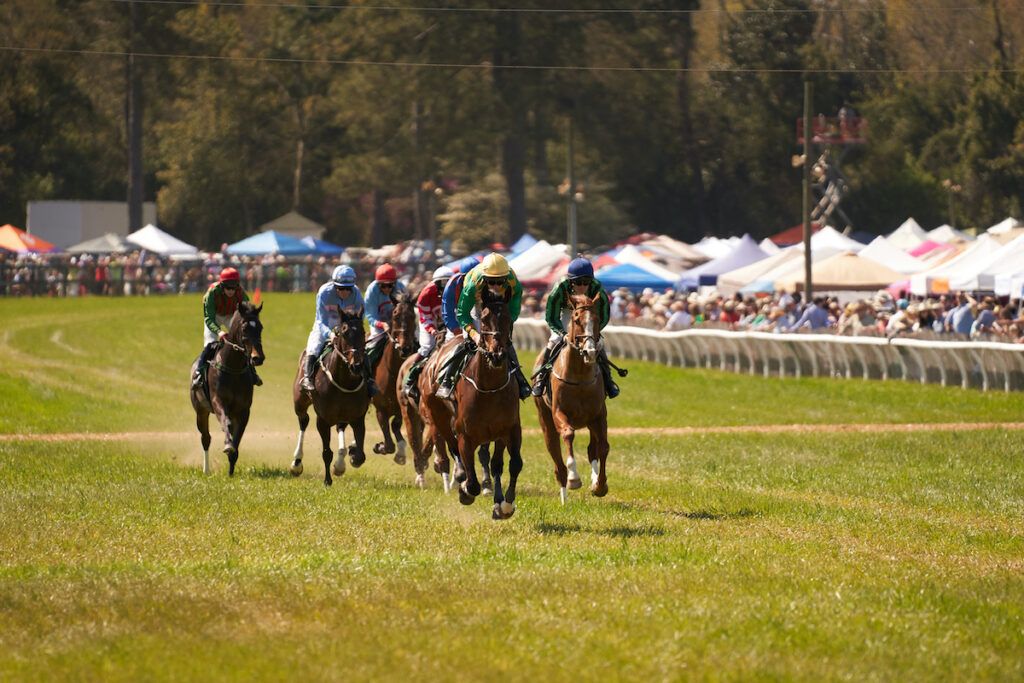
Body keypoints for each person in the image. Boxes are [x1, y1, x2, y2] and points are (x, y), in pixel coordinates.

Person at [435, 253, 530, 400]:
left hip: (501, 303)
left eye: (500, 282)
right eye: (491, 282)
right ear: (484, 278)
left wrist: (505, 324)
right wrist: (474, 334)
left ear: (506, 278)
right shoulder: (473, 285)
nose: (496, 286)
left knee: (506, 342)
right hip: (477, 303)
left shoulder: (514, 284)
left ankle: (520, 379)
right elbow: (462, 314)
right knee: (467, 342)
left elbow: (514, 309)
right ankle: (447, 380)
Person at [530, 258, 617, 398]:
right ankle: (541, 378)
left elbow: (604, 315)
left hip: (588, 316)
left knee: (598, 343)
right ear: (570, 281)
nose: (582, 287)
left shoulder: (597, 289)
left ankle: (608, 381)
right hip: (567, 313)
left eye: (586, 282)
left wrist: (592, 332)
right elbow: (551, 316)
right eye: (578, 282)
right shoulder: (560, 288)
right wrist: (563, 333)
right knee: (554, 340)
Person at [300, 265, 377, 396]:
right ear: (334, 285)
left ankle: (369, 380)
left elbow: (360, 316)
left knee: (360, 349)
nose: (345, 292)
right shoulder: (324, 292)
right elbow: (320, 321)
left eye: (348, 288)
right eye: (340, 288)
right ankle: (307, 378)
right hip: (326, 326)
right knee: (313, 346)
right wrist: (330, 334)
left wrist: (352, 329)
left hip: (346, 326)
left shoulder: (356, 293)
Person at [191, 267, 262, 389]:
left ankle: (252, 373)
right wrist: (219, 332)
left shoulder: (241, 294)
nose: (231, 291)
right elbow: (209, 318)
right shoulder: (211, 294)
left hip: (231, 316)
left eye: (234, 287)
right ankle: (199, 373)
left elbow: (247, 313)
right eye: (228, 287)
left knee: (243, 341)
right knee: (210, 344)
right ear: (221, 285)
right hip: (215, 317)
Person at [402, 266, 453, 400]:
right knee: (427, 346)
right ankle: (409, 379)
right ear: (435, 284)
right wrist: (433, 331)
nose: (444, 288)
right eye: (440, 284)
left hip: (449, 323)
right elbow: (425, 317)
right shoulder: (425, 295)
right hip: (430, 322)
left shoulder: (457, 291)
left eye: (447, 283)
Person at [363, 263, 407, 378]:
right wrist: (382, 324)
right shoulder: (371, 291)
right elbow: (370, 316)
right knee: (373, 345)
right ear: (378, 284)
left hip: (397, 323)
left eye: (390, 285)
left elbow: (406, 310)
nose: (387, 289)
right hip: (379, 323)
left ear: (395, 283)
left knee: (413, 340)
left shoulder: (401, 288)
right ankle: (367, 376)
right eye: (383, 286)